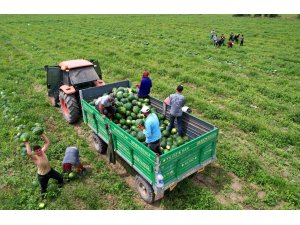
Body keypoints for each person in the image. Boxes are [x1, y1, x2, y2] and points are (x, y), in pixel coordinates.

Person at [24, 133, 63, 199]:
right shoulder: (35, 158)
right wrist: (27, 143)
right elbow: (29, 153)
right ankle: (43, 198)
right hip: (42, 176)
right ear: (35, 152)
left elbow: (47, 142)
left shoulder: (43, 151)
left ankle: (60, 185)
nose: (39, 152)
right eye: (37, 151)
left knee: (60, 177)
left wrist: (42, 134)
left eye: (39, 150)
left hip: (50, 171)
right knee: (44, 188)